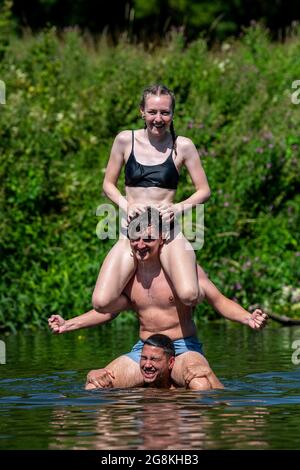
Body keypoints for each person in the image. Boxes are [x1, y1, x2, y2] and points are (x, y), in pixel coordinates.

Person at [49, 207, 268, 391]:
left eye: (149, 238)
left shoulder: (181, 273)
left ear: (162, 238)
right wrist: (69, 323)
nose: (141, 244)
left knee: (200, 384)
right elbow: (107, 311)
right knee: (95, 385)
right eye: (136, 238)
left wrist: (248, 318)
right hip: (144, 350)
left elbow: (218, 300)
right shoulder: (128, 277)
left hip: (183, 348)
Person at [92, 84, 211, 313]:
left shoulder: (183, 146)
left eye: (165, 112)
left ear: (172, 114)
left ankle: (203, 284)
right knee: (101, 302)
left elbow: (204, 190)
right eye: (153, 112)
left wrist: (178, 208)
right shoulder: (125, 140)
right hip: (132, 233)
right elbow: (108, 184)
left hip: (166, 231)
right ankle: (135, 302)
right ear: (142, 112)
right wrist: (126, 205)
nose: (158, 118)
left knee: (189, 295)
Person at [86, 333, 221, 390]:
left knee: (201, 384)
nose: (147, 365)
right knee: (93, 385)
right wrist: (90, 375)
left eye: (154, 359)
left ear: (171, 363)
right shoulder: (135, 391)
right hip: (143, 438)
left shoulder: (180, 391)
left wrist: (210, 375)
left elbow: (221, 403)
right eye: (144, 358)